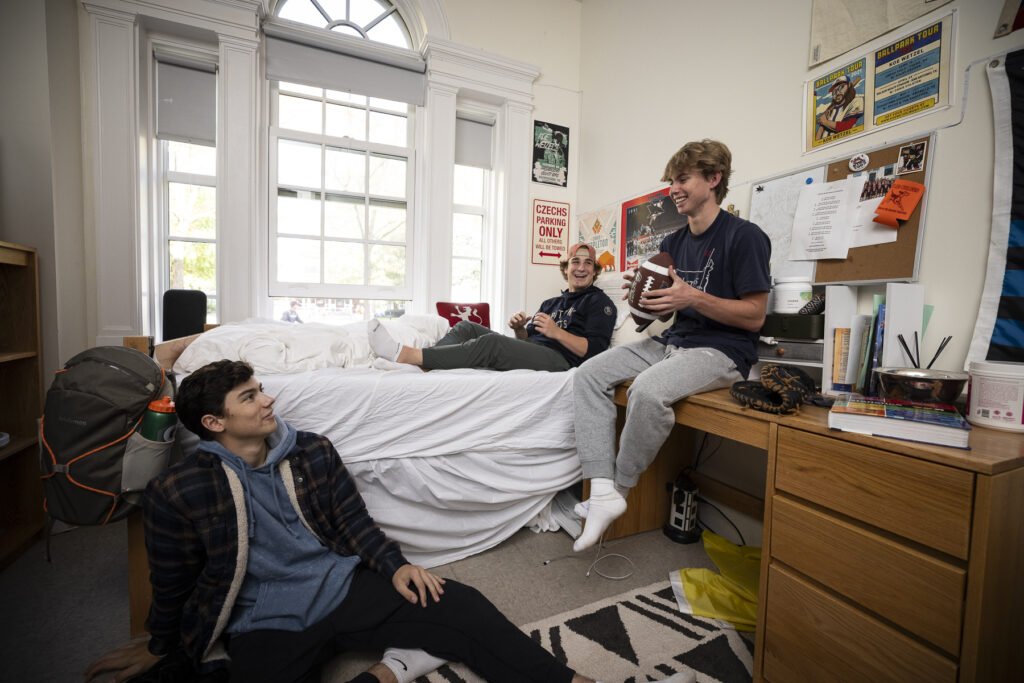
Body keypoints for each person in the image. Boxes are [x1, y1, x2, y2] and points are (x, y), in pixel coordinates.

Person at [87, 359, 687, 683]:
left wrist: (396, 567)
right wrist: (161, 646)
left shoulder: (311, 449)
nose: (268, 400)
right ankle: (391, 670)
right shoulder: (181, 490)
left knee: (465, 606)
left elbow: (355, 523)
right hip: (264, 617)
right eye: (249, 397)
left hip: (344, 586)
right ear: (213, 424)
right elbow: (174, 582)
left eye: (261, 388)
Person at [571, 140, 771, 552]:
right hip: (674, 342)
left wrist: (692, 297)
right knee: (587, 375)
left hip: (722, 351)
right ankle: (601, 488)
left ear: (714, 179)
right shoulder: (675, 243)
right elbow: (657, 317)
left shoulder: (745, 237)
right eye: (671, 182)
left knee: (646, 391)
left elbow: (754, 315)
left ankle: (619, 492)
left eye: (682, 179)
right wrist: (639, 297)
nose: (673, 189)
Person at [367, 243, 616, 372]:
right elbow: (528, 338)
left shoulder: (599, 302)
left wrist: (556, 332)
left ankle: (408, 355)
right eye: (575, 262)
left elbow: (594, 351)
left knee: (492, 344)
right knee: (466, 327)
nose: (581, 268)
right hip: (537, 348)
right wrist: (520, 329)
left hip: (563, 361)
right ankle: (424, 365)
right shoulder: (552, 303)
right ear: (565, 268)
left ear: (595, 271)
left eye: (588, 264)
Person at [814, 74, 864, 140]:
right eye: (834, 91)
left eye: (841, 87)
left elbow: (847, 126)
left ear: (849, 86)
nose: (837, 93)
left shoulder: (855, 101)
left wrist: (825, 122)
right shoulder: (830, 109)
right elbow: (820, 130)